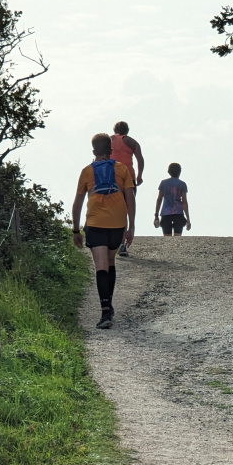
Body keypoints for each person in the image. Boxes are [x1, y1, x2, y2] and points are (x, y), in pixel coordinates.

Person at [71, 133, 136, 329]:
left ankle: (105, 310)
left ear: (93, 151)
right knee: (110, 262)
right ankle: (108, 305)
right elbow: (130, 198)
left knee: (101, 267)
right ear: (111, 150)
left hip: (96, 223)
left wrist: (75, 230)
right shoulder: (122, 169)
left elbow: (78, 203)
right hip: (117, 223)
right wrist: (131, 226)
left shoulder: (86, 171)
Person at [111, 122, 144, 257]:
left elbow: (99, 156)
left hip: (111, 176)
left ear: (115, 130)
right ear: (127, 131)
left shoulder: (109, 140)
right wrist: (139, 176)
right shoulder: (132, 142)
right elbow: (140, 160)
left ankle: (110, 239)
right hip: (128, 177)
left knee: (111, 208)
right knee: (125, 209)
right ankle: (122, 244)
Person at [153, 163, 191, 236]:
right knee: (177, 238)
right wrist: (188, 219)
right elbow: (184, 202)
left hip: (166, 213)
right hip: (178, 213)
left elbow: (159, 199)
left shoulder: (163, 183)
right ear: (179, 172)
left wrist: (156, 215)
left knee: (167, 238)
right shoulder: (182, 184)